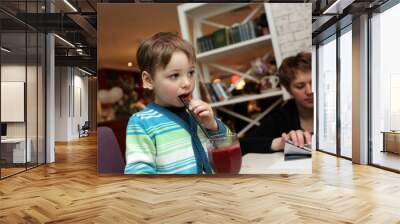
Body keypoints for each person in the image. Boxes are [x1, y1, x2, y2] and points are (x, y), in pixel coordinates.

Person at [124, 32, 231, 174]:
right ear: (149, 80)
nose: (187, 83)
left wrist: (212, 125)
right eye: (174, 75)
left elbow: (229, 146)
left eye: (191, 73)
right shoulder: (141, 123)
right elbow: (139, 175)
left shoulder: (198, 113)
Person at [240, 52, 313, 154]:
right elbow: (243, 144)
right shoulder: (283, 115)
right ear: (289, 90)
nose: (310, 91)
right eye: (300, 86)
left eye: (314, 82)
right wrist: (280, 143)